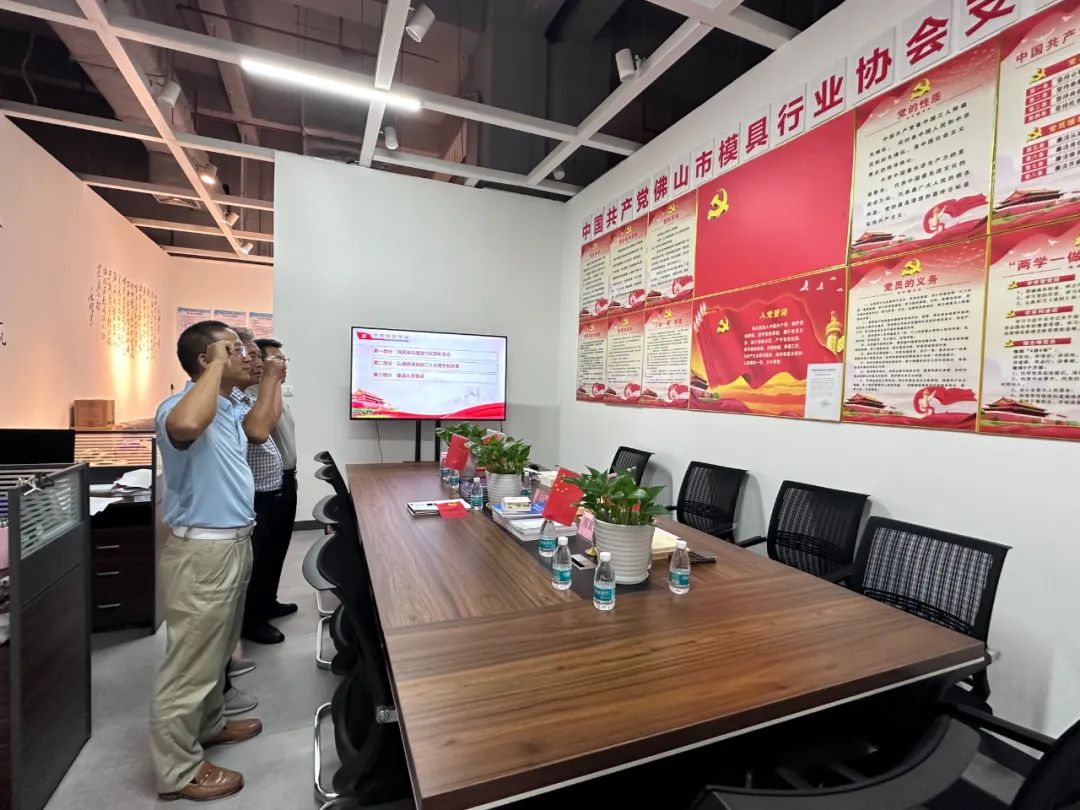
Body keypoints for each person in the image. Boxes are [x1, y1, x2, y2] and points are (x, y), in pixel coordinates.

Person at [150, 320, 284, 802]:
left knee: (217, 651)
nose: (245, 354)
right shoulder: (179, 407)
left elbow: (260, 429)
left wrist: (271, 379)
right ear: (205, 361)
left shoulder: (227, 409)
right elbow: (186, 427)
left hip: (232, 544)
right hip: (202, 552)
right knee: (189, 665)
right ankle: (178, 771)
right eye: (233, 349)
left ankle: (209, 724)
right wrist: (215, 367)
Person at [231, 328, 289, 645]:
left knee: (270, 555)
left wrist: (274, 381)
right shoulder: (243, 398)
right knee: (255, 561)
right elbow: (259, 430)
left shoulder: (245, 397)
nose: (255, 363)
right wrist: (271, 381)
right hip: (252, 496)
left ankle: (264, 606)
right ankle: (251, 620)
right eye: (251, 356)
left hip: (270, 488)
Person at [253, 337, 298, 620]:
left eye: (284, 360)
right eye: (276, 360)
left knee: (277, 548)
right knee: (263, 550)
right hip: (268, 485)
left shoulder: (274, 393)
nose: (283, 365)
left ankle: (268, 601)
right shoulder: (257, 397)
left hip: (286, 479)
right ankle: (254, 617)